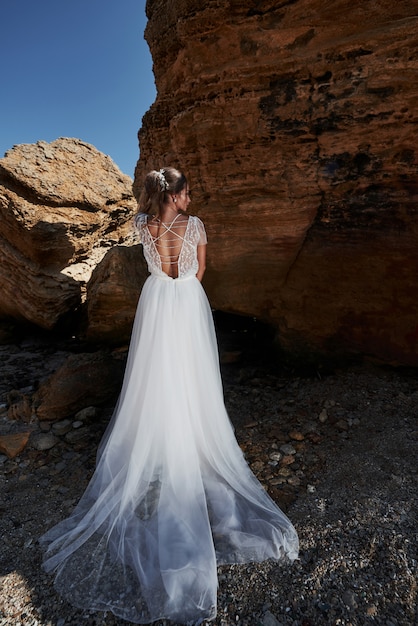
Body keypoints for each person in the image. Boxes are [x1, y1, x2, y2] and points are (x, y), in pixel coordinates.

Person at [40, 167, 299, 625]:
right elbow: (200, 269)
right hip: (185, 300)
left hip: (157, 299)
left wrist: (170, 280)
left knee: (153, 369)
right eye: (187, 191)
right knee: (192, 369)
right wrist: (188, 287)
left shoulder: (143, 225)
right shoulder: (195, 224)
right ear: (176, 195)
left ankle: (155, 438)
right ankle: (192, 433)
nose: (191, 196)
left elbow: (157, 261)